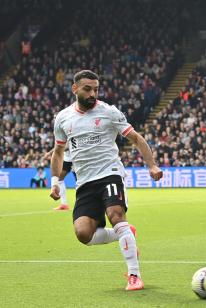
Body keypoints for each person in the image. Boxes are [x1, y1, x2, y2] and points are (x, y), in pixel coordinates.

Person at [49, 70, 163, 291]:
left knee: (115, 215)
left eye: (96, 89)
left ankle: (134, 275)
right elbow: (58, 152)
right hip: (84, 182)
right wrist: (55, 180)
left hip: (110, 173)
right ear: (75, 89)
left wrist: (152, 165)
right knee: (83, 234)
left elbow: (136, 138)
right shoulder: (63, 118)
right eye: (87, 89)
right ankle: (125, 233)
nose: (93, 93)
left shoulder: (109, 112)